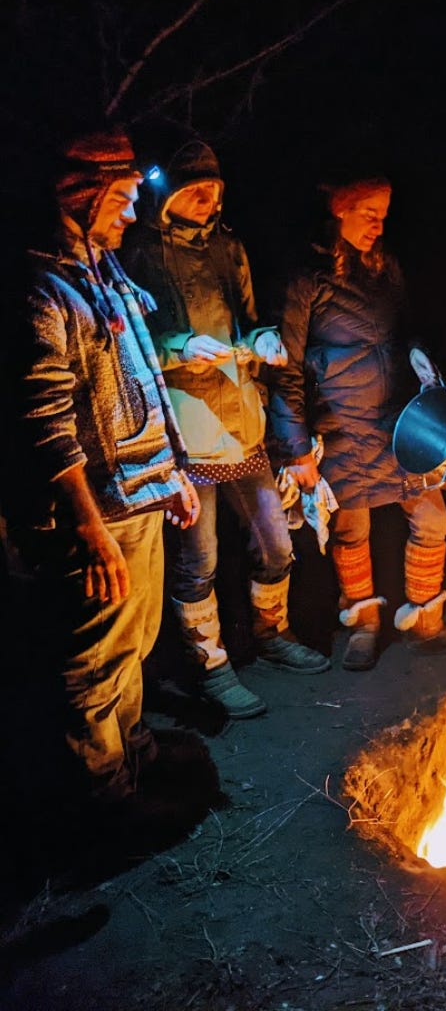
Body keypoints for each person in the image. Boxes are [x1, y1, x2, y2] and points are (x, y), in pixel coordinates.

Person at [2, 126, 201, 811]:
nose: (131, 215)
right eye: (120, 200)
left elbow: (140, 381)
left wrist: (171, 472)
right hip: (93, 514)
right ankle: (103, 797)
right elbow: (45, 421)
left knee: (134, 641)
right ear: (81, 198)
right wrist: (87, 527)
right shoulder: (42, 290)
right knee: (93, 658)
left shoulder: (102, 273)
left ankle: (134, 751)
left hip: (135, 495)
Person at [121, 139, 329, 720]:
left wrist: (263, 340)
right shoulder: (142, 254)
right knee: (201, 558)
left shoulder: (228, 247)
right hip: (188, 433)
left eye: (213, 189)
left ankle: (272, 632)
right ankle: (210, 664)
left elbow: (247, 317)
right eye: (195, 190)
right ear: (169, 197)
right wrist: (181, 346)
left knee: (276, 542)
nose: (207, 200)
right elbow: (133, 345)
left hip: (241, 422)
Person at [268, 174, 446, 671]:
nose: (378, 226)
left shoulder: (385, 268)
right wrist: (295, 447)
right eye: (369, 214)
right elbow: (286, 369)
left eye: (384, 216)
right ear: (340, 210)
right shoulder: (308, 279)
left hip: (398, 420)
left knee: (431, 518)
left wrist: (421, 358)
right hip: (341, 425)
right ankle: (362, 623)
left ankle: (427, 624)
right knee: (351, 530)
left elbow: (408, 330)